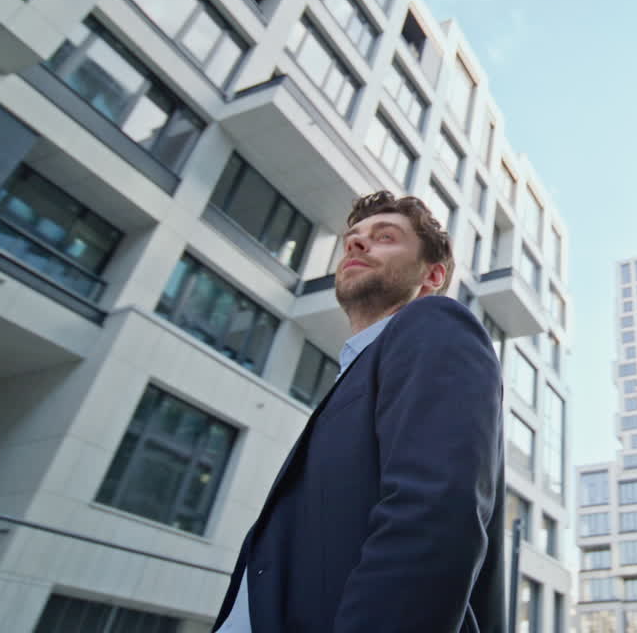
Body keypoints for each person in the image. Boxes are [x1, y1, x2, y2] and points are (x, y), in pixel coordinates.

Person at [212, 191, 505, 632]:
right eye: (353, 237)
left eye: (385, 237)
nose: (356, 242)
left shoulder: (434, 322)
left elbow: (435, 515)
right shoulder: (357, 373)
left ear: (433, 275)